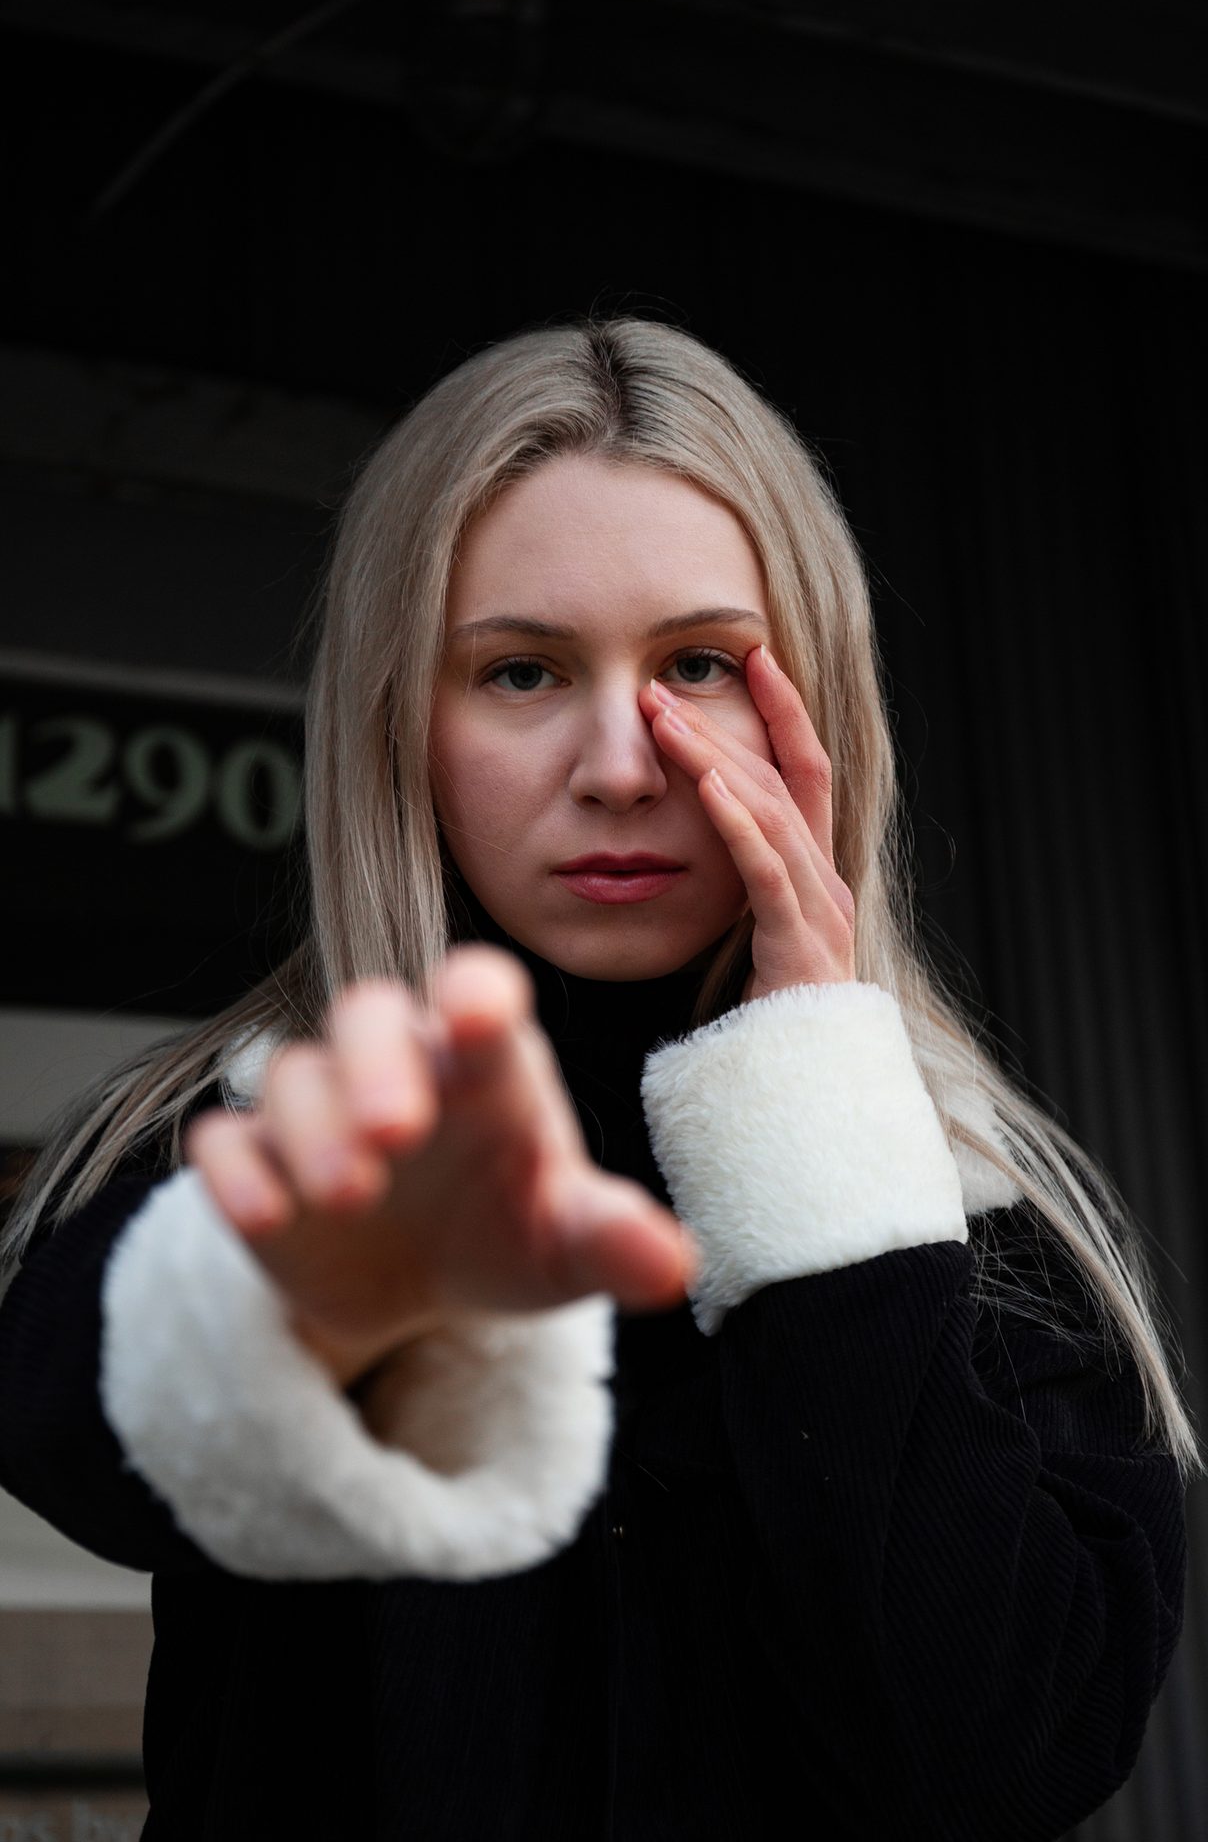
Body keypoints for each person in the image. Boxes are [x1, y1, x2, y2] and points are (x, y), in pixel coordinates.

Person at [0, 315, 1197, 1841]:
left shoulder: (980, 1221)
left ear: (816, 710)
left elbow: (1005, 1748)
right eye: (521, 671)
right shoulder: (244, 1131)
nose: (624, 764)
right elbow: (77, 1445)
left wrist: (819, 1143)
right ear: (398, 725)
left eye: (698, 663)